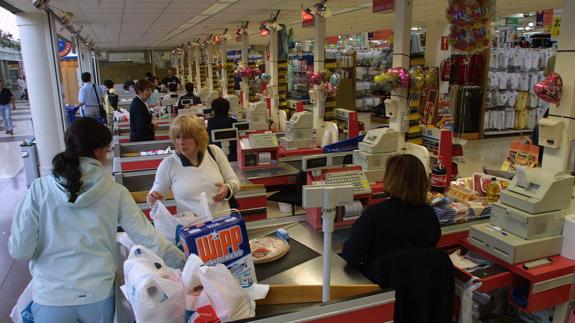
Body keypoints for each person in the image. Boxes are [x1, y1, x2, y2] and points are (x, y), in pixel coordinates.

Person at [8, 118, 185, 323]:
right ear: (98, 151)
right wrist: (183, 261)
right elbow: (147, 237)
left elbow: (20, 250)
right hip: (99, 296)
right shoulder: (115, 192)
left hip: (50, 296)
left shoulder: (39, 189)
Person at [341, 154, 440, 283]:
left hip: (379, 291)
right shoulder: (429, 214)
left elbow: (351, 255)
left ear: (390, 179)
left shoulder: (374, 214)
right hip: (418, 289)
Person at [147, 115, 240, 218]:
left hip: (224, 224)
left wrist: (228, 188)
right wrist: (153, 197)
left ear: (198, 137)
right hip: (193, 229)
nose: (181, 142)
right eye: (177, 137)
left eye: (186, 137)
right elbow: (155, 193)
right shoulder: (168, 164)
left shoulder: (214, 152)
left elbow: (234, 181)